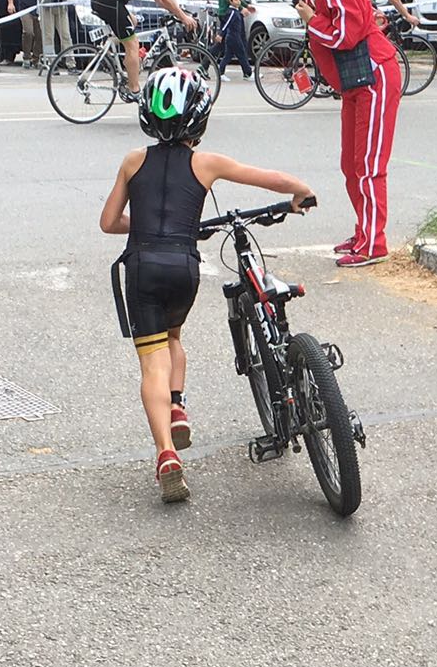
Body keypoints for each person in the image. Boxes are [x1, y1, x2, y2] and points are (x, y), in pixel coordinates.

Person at [98, 67, 314, 503]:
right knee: (175, 337)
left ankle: (165, 454)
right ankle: (177, 403)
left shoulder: (132, 160)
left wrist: (146, 224)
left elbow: (108, 223)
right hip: (184, 268)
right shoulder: (206, 162)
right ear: (199, 118)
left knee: (151, 361)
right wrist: (299, 190)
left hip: (142, 267)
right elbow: (264, 176)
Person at [282, 0, 401, 268]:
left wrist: (311, 20)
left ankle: (373, 244)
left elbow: (345, 37)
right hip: (356, 81)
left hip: (373, 75)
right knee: (352, 163)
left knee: (367, 165)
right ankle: (364, 233)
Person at [89, 0, 197, 101]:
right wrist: (183, 17)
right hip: (108, 0)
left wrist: (172, 10)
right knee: (132, 44)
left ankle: (115, 55)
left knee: (131, 22)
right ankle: (134, 89)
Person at [216, 0, 252, 81]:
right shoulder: (232, 12)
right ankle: (248, 73)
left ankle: (220, 72)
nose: (238, 2)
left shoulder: (236, 12)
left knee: (228, 56)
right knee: (242, 54)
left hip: (233, 37)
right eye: (236, 0)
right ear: (230, 1)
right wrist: (220, 34)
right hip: (233, 37)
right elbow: (226, 24)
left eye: (239, 0)